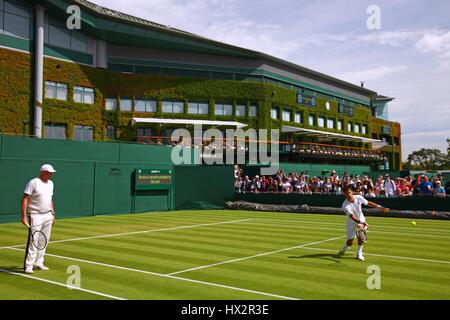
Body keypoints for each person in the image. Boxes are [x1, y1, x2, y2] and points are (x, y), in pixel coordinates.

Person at [338, 186, 390, 261]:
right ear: (344, 194)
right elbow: (352, 217)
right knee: (350, 242)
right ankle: (345, 248)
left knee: (360, 233)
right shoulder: (345, 205)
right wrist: (362, 222)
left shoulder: (358, 197)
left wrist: (380, 207)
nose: (348, 194)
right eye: (346, 193)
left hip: (361, 218)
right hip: (351, 222)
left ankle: (359, 253)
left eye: (349, 192)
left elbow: (368, 203)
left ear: (351, 192)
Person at [22, 164, 57, 274]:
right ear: (42, 172)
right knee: (33, 241)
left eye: (51, 173)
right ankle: (28, 266)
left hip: (47, 215)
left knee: (44, 240)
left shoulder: (51, 183)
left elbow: (50, 199)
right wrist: (23, 216)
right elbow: (24, 199)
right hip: (35, 215)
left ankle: (39, 262)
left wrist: (53, 214)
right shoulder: (33, 182)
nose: (51, 174)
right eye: (49, 172)